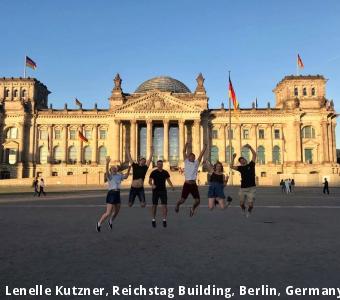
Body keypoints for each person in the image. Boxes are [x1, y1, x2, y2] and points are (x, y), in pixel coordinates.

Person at [96, 156, 131, 232]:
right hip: (111, 194)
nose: (114, 169)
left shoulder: (119, 175)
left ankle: (111, 220)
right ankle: (99, 223)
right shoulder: (109, 176)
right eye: (112, 168)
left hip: (117, 193)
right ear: (110, 170)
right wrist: (107, 163)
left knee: (117, 211)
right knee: (108, 212)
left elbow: (126, 176)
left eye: (115, 168)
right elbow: (106, 170)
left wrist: (129, 168)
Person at [175, 140, 207, 217]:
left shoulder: (196, 163)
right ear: (188, 157)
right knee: (182, 200)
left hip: (193, 185)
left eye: (193, 157)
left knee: (198, 201)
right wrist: (186, 145)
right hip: (187, 184)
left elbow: (201, 155)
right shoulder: (186, 161)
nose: (192, 158)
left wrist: (205, 147)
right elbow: (183, 152)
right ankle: (177, 204)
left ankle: (192, 209)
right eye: (191, 156)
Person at [230, 144, 256, 217]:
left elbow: (254, 155)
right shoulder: (240, 168)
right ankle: (243, 209)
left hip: (251, 188)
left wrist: (250, 147)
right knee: (241, 204)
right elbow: (231, 166)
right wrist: (233, 158)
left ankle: (249, 211)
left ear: (245, 160)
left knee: (250, 204)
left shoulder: (251, 164)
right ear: (240, 163)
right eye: (241, 161)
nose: (242, 161)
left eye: (243, 159)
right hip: (243, 188)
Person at [148, 160, 174, 228]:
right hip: (155, 191)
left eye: (161, 164)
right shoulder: (153, 172)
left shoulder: (165, 172)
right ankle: (153, 219)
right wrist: (152, 185)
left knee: (164, 205)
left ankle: (164, 220)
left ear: (162, 165)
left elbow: (168, 180)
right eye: (159, 164)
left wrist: (172, 186)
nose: (160, 165)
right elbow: (150, 181)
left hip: (163, 191)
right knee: (154, 205)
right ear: (157, 165)